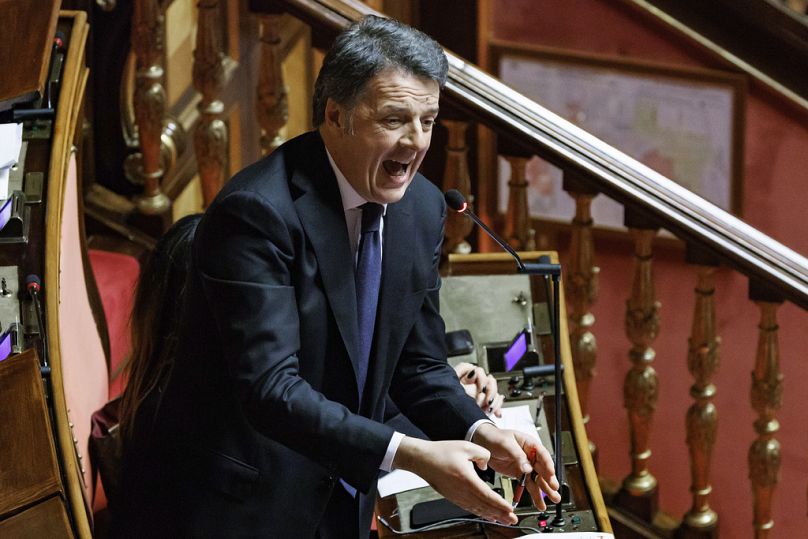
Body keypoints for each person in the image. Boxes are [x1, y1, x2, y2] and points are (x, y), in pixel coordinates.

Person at [117, 15, 559, 538]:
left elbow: (417, 365)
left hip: (341, 501)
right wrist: (413, 455)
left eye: (428, 121)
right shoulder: (256, 213)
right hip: (239, 506)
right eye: (395, 119)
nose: (416, 143)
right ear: (336, 115)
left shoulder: (420, 208)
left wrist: (478, 428)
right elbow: (273, 391)